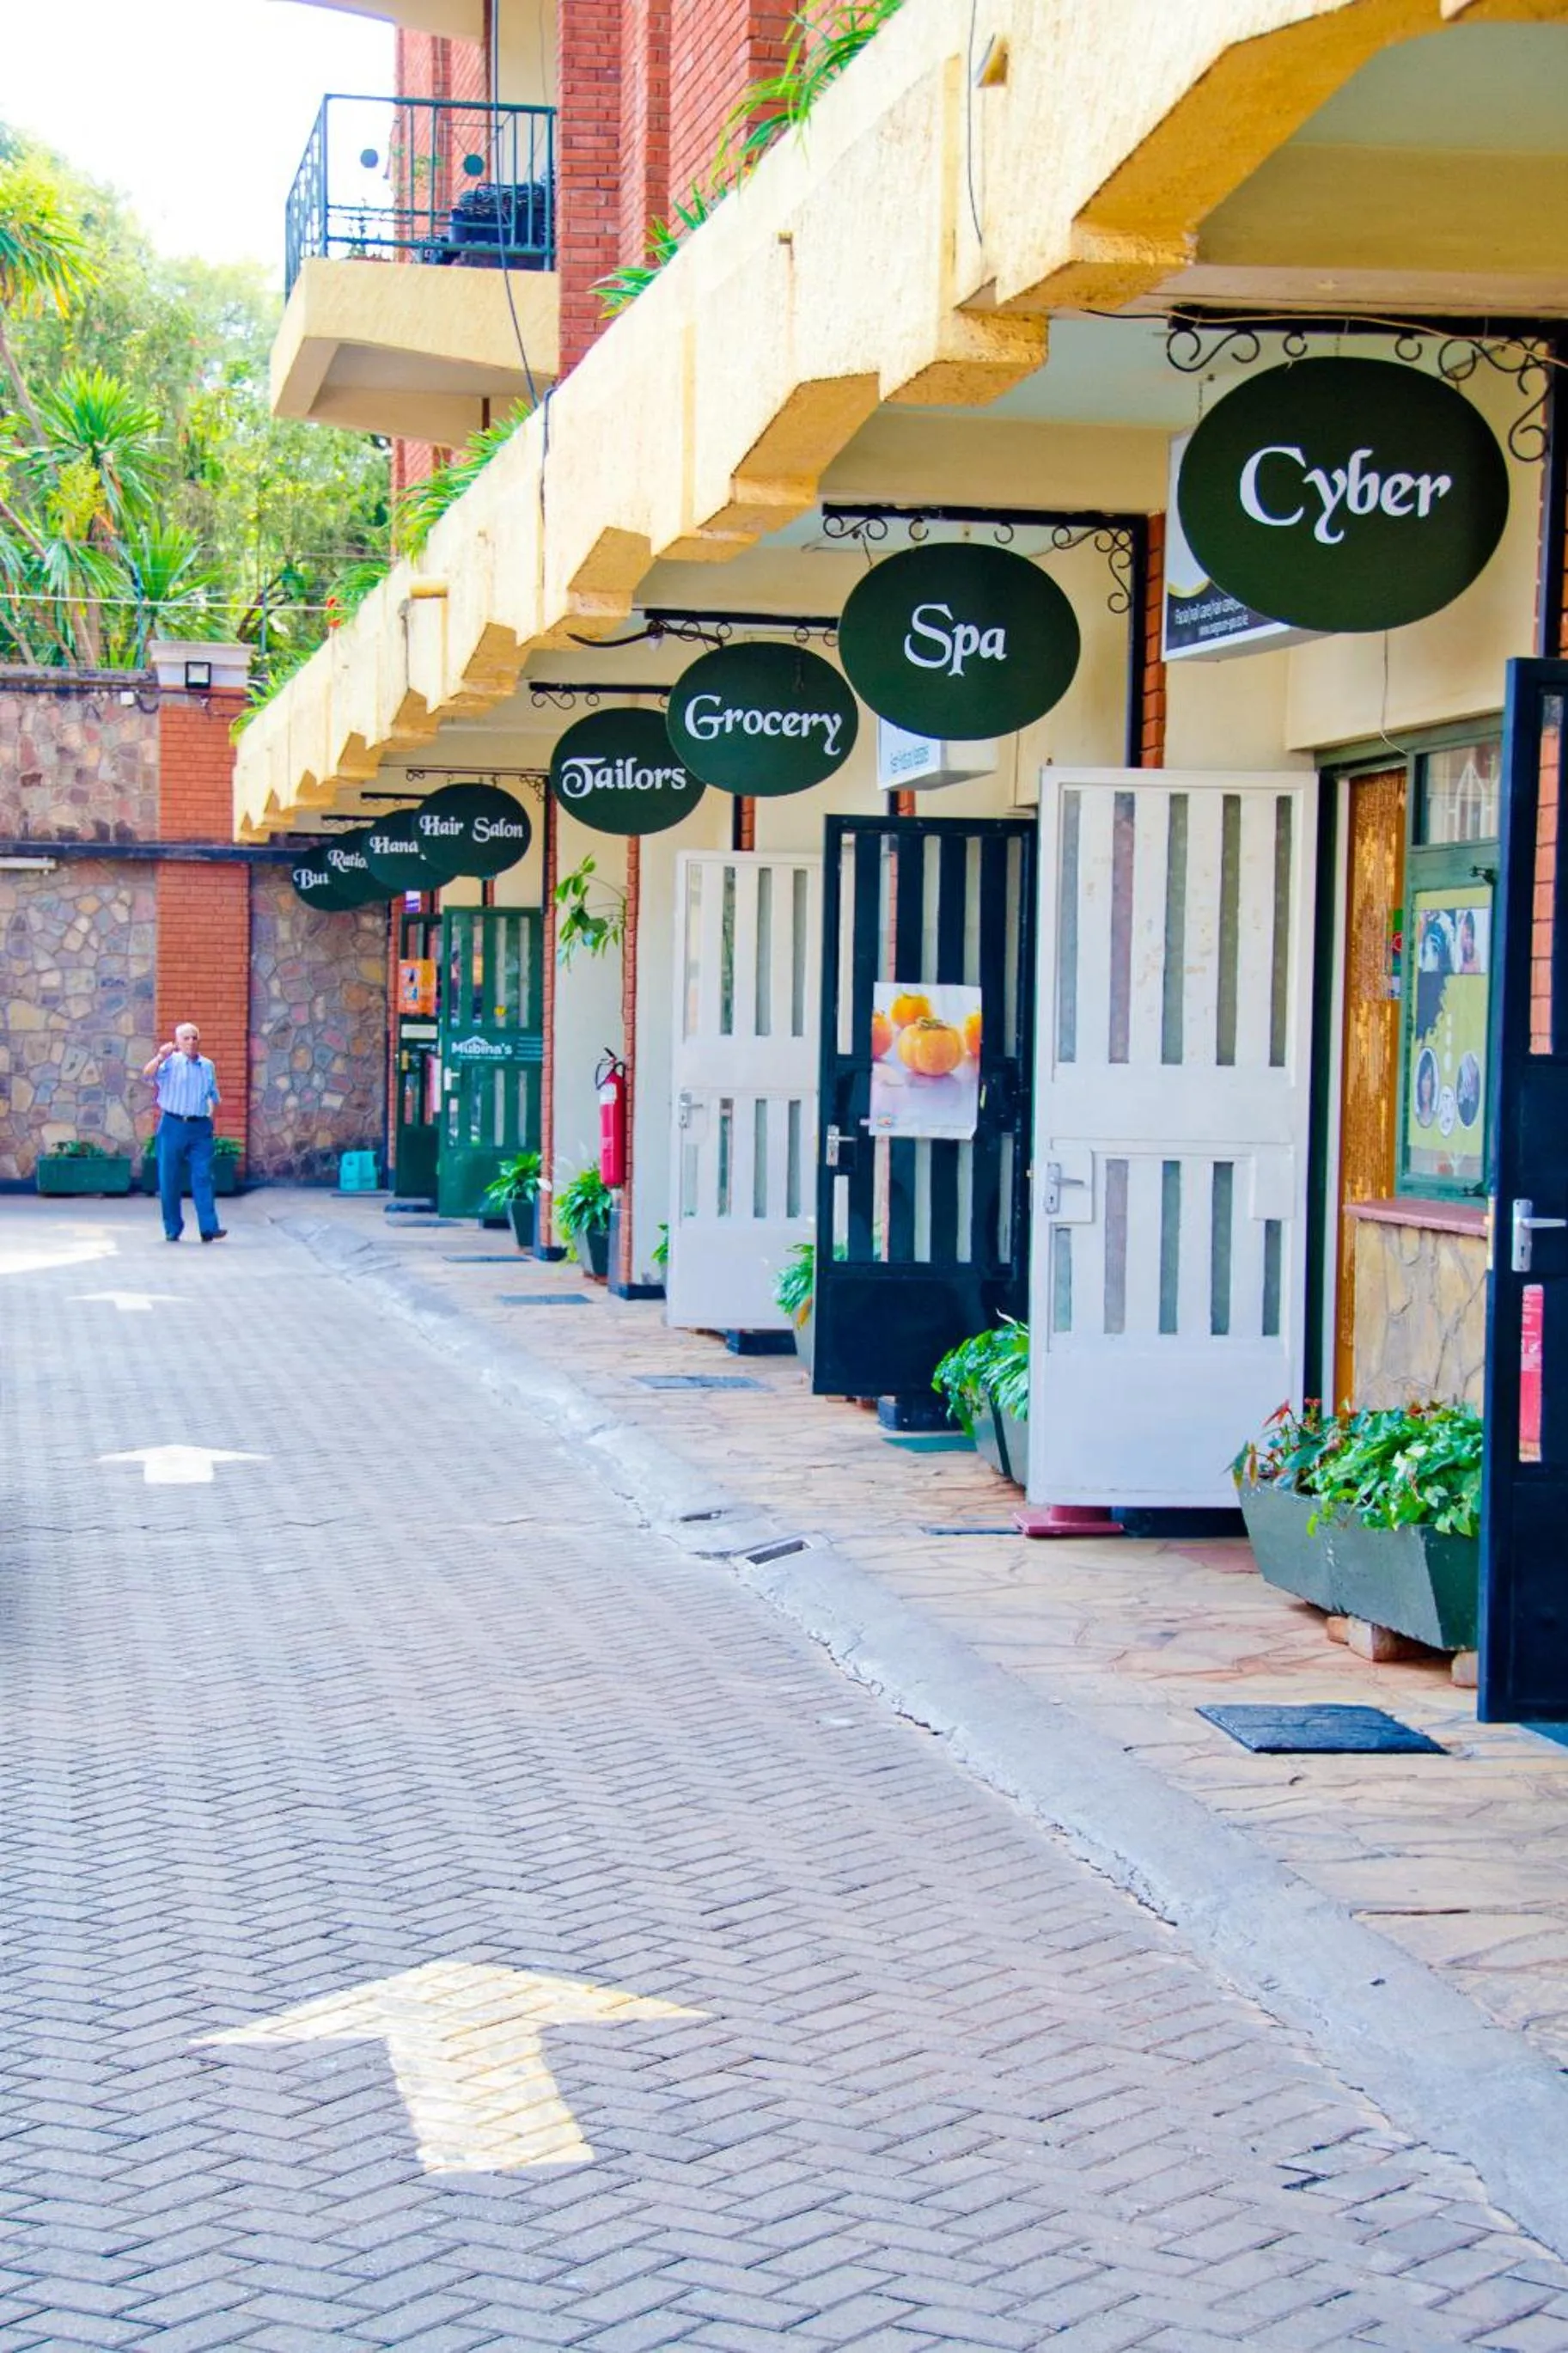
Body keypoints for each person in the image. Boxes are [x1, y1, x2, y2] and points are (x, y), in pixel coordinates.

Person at [142, 1024, 227, 1244]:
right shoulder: (170, 1062)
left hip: (199, 1127)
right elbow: (147, 1075)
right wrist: (160, 1057)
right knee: (169, 1177)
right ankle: (172, 1228)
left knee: (203, 1175)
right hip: (173, 1124)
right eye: (186, 1038)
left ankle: (209, 1227)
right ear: (178, 1042)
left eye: (194, 1038)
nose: (191, 1042)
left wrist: (209, 1113)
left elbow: (213, 1095)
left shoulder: (207, 1065)